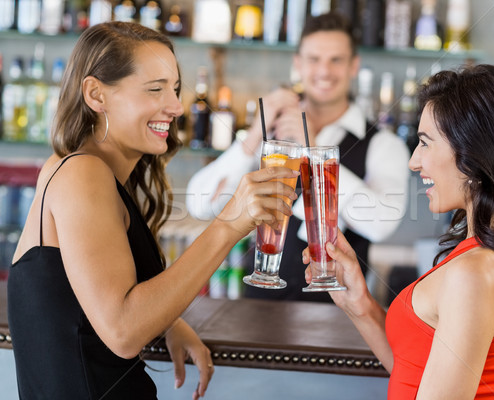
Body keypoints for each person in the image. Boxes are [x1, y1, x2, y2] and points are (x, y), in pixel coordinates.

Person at [7, 22, 298, 399]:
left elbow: (84, 302)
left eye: (175, 89)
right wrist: (228, 224)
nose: (176, 107)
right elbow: (123, 333)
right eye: (155, 89)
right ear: (96, 94)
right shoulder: (83, 172)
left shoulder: (69, 167)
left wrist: (166, 321)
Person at [309, 64, 494, 398]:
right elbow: (418, 371)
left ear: (475, 154)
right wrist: (361, 306)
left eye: (425, 143)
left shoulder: (475, 273)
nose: (414, 161)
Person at [186, 12, 410, 301]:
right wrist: (256, 134)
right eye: (314, 59)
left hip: (337, 311)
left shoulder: (383, 143)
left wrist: (313, 150)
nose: (324, 71)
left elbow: (381, 225)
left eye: (336, 60)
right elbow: (201, 204)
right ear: (298, 64)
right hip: (258, 305)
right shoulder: (274, 136)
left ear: (354, 66)